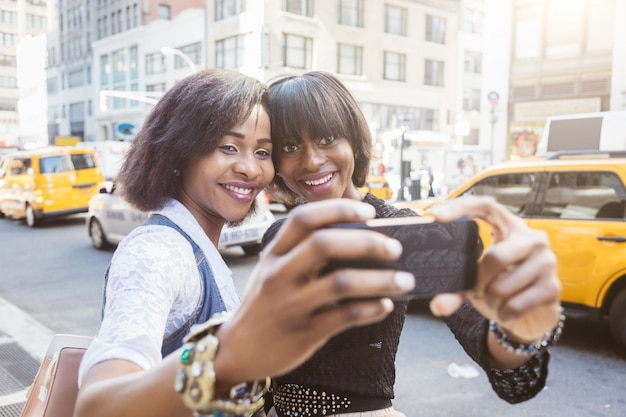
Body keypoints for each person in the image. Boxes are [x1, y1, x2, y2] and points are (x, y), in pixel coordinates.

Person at [74, 68, 419, 417]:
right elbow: (97, 408)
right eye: (228, 147)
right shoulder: (159, 253)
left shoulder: (203, 248)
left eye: (263, 152)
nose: (249, 169)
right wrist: (227, 358)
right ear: (179, 152)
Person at [263, 71, 564, 417]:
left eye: (328, 138)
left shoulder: (404, 230)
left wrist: (519, 329)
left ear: (353, 139)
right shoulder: (277, 236)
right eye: (289, 146)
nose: (312, 160)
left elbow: (485, 339)